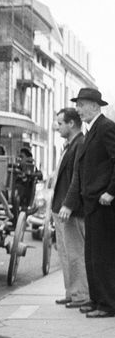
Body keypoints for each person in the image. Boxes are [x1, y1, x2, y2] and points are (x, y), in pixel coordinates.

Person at [60, 88, 115, 318]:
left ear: (95, 106)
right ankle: (96, 299)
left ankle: (108, 304)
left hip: (103, 203)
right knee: (92, 254)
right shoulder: (91, 130)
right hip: (91, 202)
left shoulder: (106, 127)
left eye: (82, 105)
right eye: (78, 105)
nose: (79, 110)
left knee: (103, 255)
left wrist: (111, 192)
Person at [51, 107, 88, 307]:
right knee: (65, 254)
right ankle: (71, 292)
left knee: (75, 254)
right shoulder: (70, 145)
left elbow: (77, 178)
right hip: (61, 209)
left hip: (70, 210)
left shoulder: (80, 144)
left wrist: (68, 205)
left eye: (60, 123)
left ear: (71, 124)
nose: (57, 128)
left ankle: (80, 294)